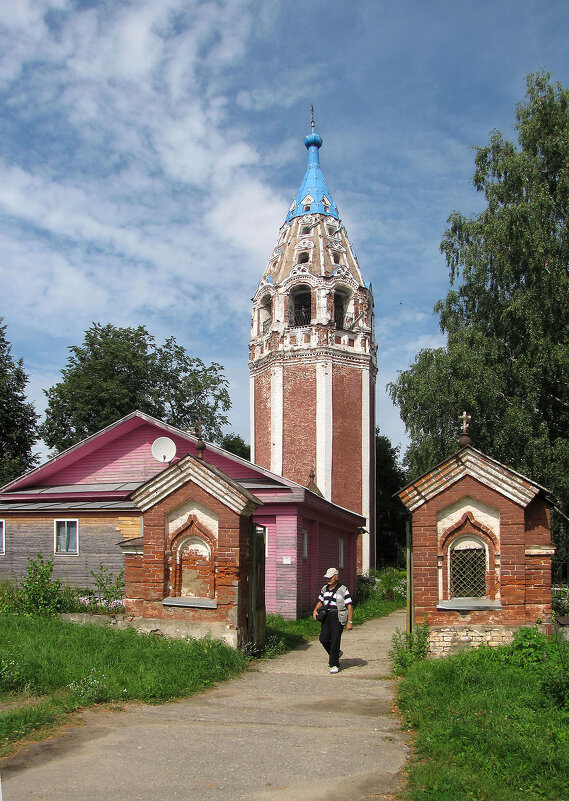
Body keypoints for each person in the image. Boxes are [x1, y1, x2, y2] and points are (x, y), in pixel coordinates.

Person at [312, 567, 353, 673]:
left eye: (330, 577)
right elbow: (321, 601)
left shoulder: (343, 589)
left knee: (335, 640)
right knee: (323, 639)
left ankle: (334, 664)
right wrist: (315, 610)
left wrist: (349, 622)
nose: (328, 579)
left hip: (338, 616)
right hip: (326, 616)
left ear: (336, 577)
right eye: (327, 577)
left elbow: (349, 605)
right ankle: (336, 653)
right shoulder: (324, 589)